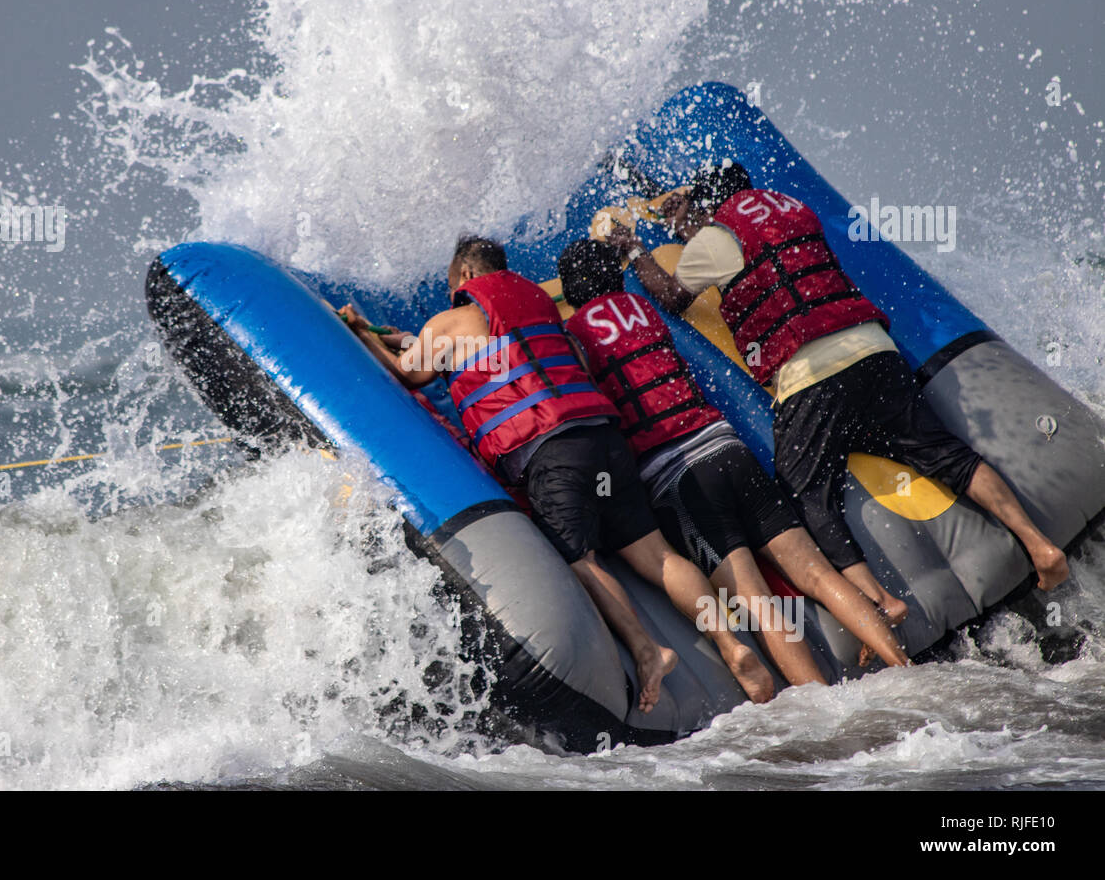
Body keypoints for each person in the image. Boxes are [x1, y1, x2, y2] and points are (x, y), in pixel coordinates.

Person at [605, 161, 1069, 611]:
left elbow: (671, 296)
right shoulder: (793, 208)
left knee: (804, 495)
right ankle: (1040, 545)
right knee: (945, 454)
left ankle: (881, 601)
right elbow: (755, 253)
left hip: (811, 376)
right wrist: (698, 229)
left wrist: (633, 249)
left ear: (710, 207)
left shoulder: (715, 236)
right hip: (875, 352)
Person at [342, 235, 776, 710]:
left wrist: (361, 333)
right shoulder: (543, 308)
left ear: (466, 276)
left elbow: (410, 371)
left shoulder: (457, 317)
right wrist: (395, 337)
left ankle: (648, 649)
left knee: (581, 560)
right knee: (657, 555)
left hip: (548, 451)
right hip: (603, 440)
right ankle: (731, 643)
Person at [558, 237, 909, 673]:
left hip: (679, 475)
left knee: (758, 604)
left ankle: (823, 715)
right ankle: (904, 665)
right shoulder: (644, 311)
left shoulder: (572, 337)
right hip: (729, 447)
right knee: (818, 575)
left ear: (570, 295)